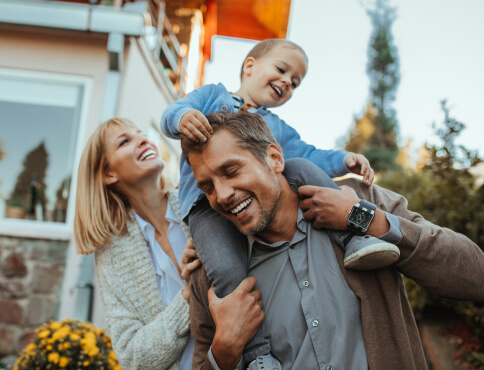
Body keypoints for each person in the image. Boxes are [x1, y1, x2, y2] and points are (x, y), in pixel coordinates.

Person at [181, 111, 484, 370]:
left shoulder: (358, 200)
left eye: (231, 171)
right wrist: (224, 351)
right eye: (207, 187)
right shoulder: (211, 275)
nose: (221, 195)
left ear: (274, 158)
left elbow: (474, 276)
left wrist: (366, 219)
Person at [161, 39, 399, 368]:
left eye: (296, 82)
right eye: (282, 69)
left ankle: (354, 237)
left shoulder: (277, 129)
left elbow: (311, 155)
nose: (288, 82)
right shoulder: (211, 95)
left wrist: (346, 160)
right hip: (206, 208)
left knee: (301, 168)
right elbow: (172, 111)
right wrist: (183, 118)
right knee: (228, 270)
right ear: (250, 67)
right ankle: (257, 356)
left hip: (263, 197)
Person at [74, 118, 202, 370]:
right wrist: (187, 296)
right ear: (108, 173)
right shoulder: (112, 255)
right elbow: (132, 358)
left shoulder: (198, 206)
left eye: (141, 134)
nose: (144, 140)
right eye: (125, 141)